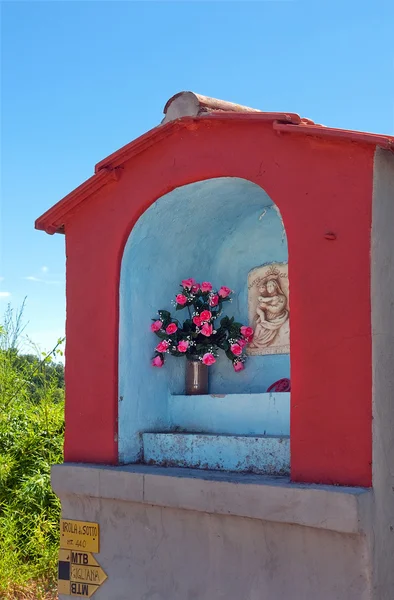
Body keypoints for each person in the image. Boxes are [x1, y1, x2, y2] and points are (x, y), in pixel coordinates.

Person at [249, 278, 289, 349]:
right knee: (258, 326)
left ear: (276, 286)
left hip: (277, 318)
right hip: (268, 317)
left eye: (270, 286)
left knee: (261, 326)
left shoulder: (281, 298)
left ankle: (258, 343)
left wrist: (266, 306)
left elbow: (277, 309)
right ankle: (255, 342)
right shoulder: (268, 298)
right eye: (267, 286)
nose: (268, 288)